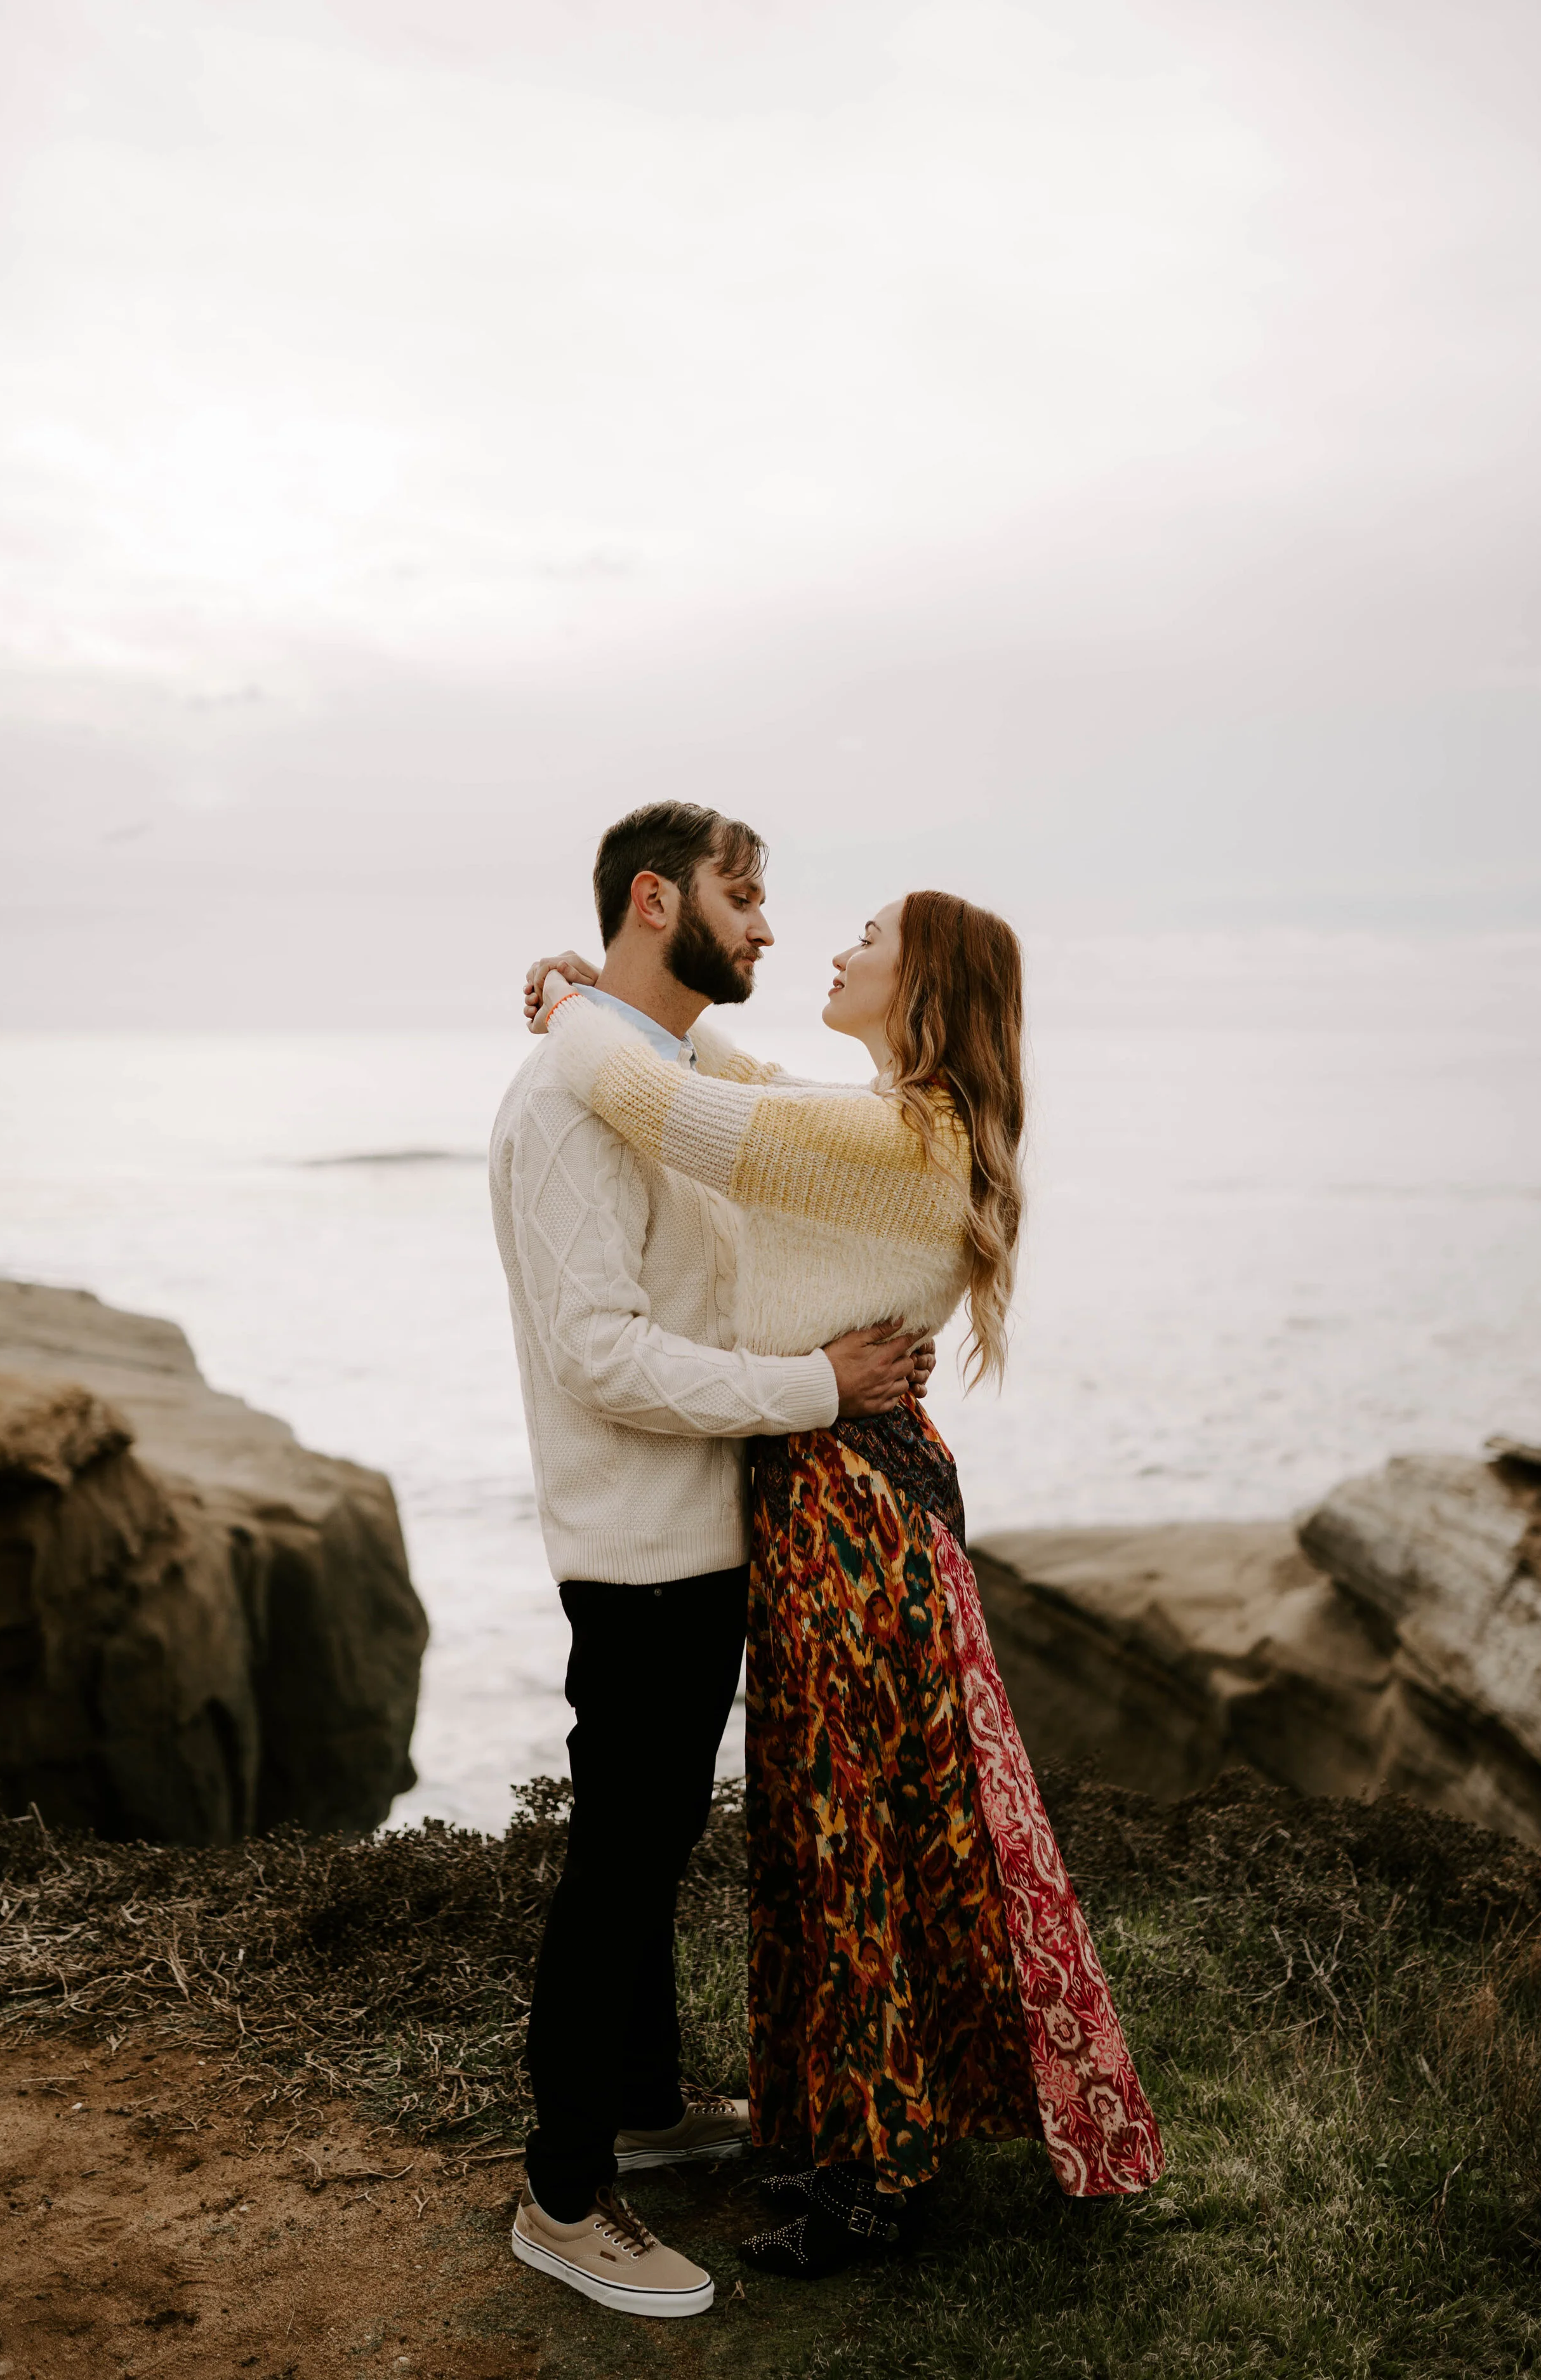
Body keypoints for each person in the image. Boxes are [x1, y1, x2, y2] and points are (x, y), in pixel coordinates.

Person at [527, 886, 1165, 2280]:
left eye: (865, 938)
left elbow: (669, 1113)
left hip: (840, 1502)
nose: (830, 949)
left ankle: (870, 2177)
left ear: (922, 981)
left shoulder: (888, 1134)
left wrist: (577, 1009)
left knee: (847, 1829)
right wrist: (614, 1011)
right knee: (872, 1822)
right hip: (855, 1484)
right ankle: (866, 2137)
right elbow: (742, 1087)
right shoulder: (896, 1121)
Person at [489, 801, 933, 2320]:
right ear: (658, 899)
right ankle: (562, 2196)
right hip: (638, 1549)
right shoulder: (568, 1104)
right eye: (745, 903)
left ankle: (640, 2105)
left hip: (700, 1534)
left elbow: (775, 1147)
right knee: (618, 1862)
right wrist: (820, 1389)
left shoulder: (654, 1077)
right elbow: (599, 1353)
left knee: (655, 1836)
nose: (765, 932)